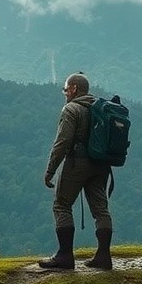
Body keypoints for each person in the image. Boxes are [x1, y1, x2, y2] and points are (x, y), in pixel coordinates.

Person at [39, 72, 113, 270]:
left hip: (77, 163)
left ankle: (65, 255)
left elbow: (62, 143)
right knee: (100, 209)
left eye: (66, 89)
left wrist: (50, 170)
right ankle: (104, 256)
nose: (65, 93)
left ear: (73, 89)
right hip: (101, 164)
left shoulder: (71, 109)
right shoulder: (101, 108)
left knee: (62, 205)